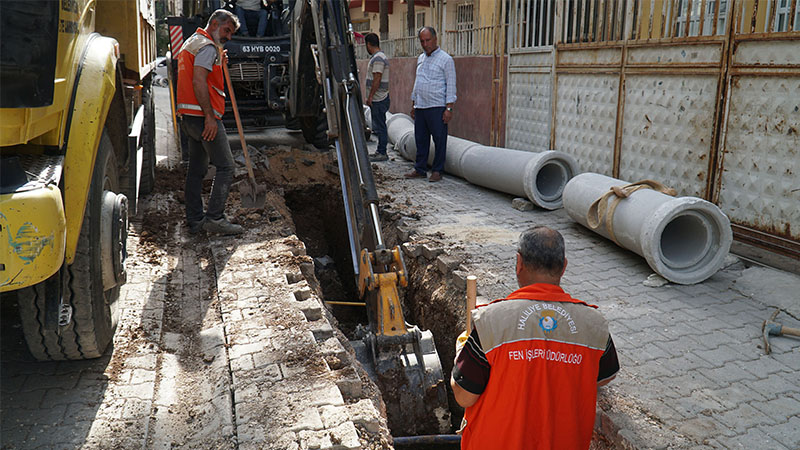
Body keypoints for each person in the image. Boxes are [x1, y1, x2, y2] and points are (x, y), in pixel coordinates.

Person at [451, 226, 619, 449]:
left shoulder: (492, 322)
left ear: (519, 263)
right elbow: (605, 376)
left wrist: (459, 355)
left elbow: (464, 396)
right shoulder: (593, 324)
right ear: (564, 266)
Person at [176, 9, 244, 235]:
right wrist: (209, 117)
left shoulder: (192, 43)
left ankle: (195, 220)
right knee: (226, 166)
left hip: (188, 117)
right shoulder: (206, 47)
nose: (229, 37)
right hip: (203, 116)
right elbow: (199, 81)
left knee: (196, 169)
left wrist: (218, 57)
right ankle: (215, 218)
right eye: (226, 30)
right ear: (214, 23)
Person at [406, 26, 456, 183]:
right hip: (421, 106)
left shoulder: (446, 59)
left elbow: (451, 84)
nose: (425, 44)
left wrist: (449, 108)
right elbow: (417, 82)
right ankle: (420, 168)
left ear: (435, 39)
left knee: (439, 140)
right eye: (422, 41)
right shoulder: (421, 58)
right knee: (421, 139)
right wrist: (414, 103)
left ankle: (437, 170)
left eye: (428, 40)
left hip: (437, 106)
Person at [365, 32, 390, 162]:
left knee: (381, 126)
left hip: (379, 98)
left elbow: (377, 78)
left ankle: (382, 152)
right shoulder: (378, 57)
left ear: (369, 44)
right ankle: (379, 151)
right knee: (379, 126)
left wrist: (370, 96)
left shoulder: (378, 58)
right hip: (378, 97)